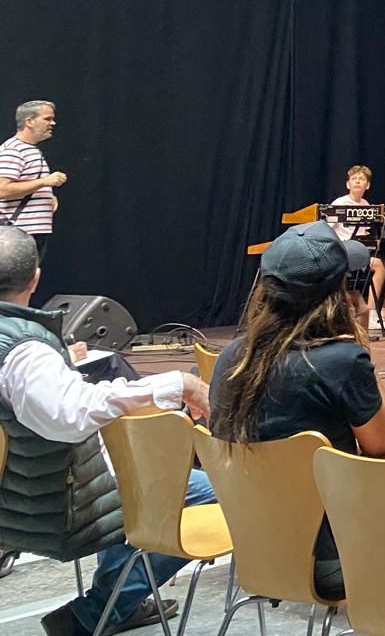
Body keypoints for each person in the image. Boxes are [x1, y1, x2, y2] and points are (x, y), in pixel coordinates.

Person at [208, 222, 385, 599]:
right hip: (336, 558)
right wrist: (361, 351)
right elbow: (384, 443)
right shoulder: (341, 360)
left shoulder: (231, 358)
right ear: (336, 294)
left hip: (259, 549)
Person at [0, 226, 216, 636]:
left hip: (23, 494)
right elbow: (69, 415)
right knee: (227, 494)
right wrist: (177, 384)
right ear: (35, 279)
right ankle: (104, 608)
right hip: (55, 508)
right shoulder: (24, 351)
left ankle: (114, 601)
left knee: (137, 468)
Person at [0, 101, 66, 265]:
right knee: (15, 285)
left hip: (28, 233)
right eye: (47, 119)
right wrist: (44, 182)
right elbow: (2, 189)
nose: (53, 123)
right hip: (18, 235)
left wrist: (46, 196)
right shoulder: (14, 150)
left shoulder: (29, 149)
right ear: (29, 121)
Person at [327, 165, 385, 328]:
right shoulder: (339, 203)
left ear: (367, 185)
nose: (357, 182)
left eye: (361, 179)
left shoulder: (366, 204)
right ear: (348, 184)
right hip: (342, 250)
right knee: (379, 265)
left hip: (359, 250)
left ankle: (378, 313)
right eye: (354, 179)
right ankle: (371, 313)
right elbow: (327, 230)